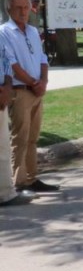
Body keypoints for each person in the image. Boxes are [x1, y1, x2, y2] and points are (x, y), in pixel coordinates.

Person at [0, 0, 58, 194]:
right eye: (18, 7)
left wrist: (44, 81)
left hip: (36, 91)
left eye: (26, 7)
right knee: (20, 138)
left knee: (33, 138)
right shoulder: (4, 32)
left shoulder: (33, 31)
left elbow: (42, 58)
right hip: (21, 91)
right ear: (9, 9)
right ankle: (19, 182)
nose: (23, 11)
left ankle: (32, 178)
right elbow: (11, 64)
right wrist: (34, 82)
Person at [1, 36, 30, 206]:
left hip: (2, 98)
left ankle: (5, 194)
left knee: (3, 146)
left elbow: (5, 62)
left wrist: (7, 87)